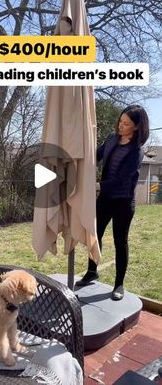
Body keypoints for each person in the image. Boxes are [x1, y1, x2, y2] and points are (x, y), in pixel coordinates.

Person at [75, 105, 150, 300]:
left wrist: (97, 186)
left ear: (136, 127)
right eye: (120, 121)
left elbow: (122, 180)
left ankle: (119, 285)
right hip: (105, 200)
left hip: (123, 204)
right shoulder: (111, 140)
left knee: (120, 241)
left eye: (126, 124)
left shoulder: (137, 152)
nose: (121, 126)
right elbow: (94, 157)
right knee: (94, 235)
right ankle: (92, 271)